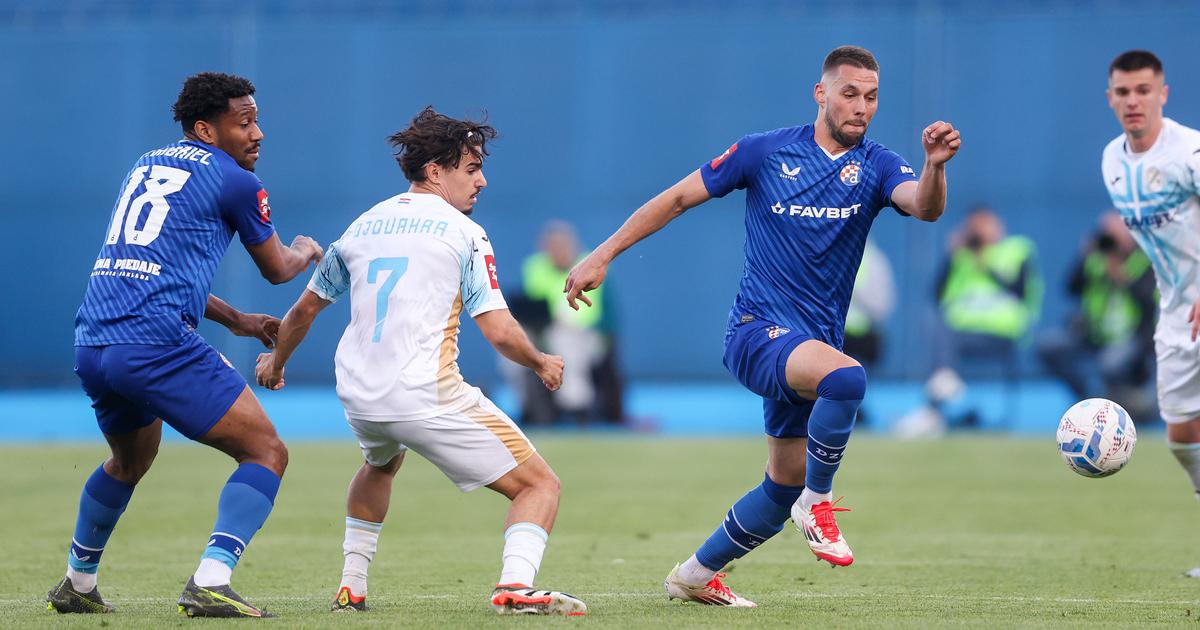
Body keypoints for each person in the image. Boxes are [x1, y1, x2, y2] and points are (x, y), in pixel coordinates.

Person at [565, 45, 960, 606]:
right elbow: (677, 198)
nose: (861, 107)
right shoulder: (764, 152)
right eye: (849, 93)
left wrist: (935, 166)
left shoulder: (877, 164)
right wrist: (603, 254)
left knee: (780, 488)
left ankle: (694, 576)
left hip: (810, 347)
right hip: (756, 333)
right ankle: (817, 504)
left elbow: (925, 207)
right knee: (847, 380)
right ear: (820, 93)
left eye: (872, 97)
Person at [254, 107, 587, 616]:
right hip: (426, 393)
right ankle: (516, 586)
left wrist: (276, 364)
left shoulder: (363, 225)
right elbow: (499, 331)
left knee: (380, 464)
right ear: (435, 171)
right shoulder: (463, 232)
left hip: (360, 394)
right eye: (472, 168)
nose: (482, 181)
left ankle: (351, 587)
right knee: (540, 485)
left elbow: (302, 312)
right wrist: (541, 361)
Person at [50, 72, 323, 617]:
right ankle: (212, 580)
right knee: (266, 451)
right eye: (244, 122)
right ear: (205, 129)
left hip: (95, 340)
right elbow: (277, 269)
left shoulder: (146, 164)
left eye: (257, 120)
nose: (257, 133)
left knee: (129, 461)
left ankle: (77, 583)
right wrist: (304, 250)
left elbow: (149, 266)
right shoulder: (236, 181)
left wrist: (236, 319)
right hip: (154, 342)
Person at [1102, 50, 1200, 576]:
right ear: (1111, 98)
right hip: (1177, 311)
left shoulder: (1189, 152)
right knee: (1182, 435)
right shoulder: (1112, 160)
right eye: (1123, 92)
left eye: (1143, 90)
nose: (1133, 100)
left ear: (1163, 94)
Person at [1037, 212, 1154, 414]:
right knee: (1048, 346)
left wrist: (1123, 278)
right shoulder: (1094, 260)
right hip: (1092, 334)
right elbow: (1071, 288)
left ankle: (1121, 407)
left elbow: (1150, 301)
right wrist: (1083, 256)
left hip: (1131, 337)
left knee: (1110, 363)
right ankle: (1088, 400)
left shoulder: (1143, 261)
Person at [518, 220, 625, 425]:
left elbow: (606, 317)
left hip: (586, 336)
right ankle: (531, 408)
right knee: (513, 345)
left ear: (573, 244)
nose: (557, 251)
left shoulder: (591, 265)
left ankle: (577, 409)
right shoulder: (535, 267)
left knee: (565, 340)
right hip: (544, 334)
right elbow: (530, 308)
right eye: (552, 246)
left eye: (562, 245)